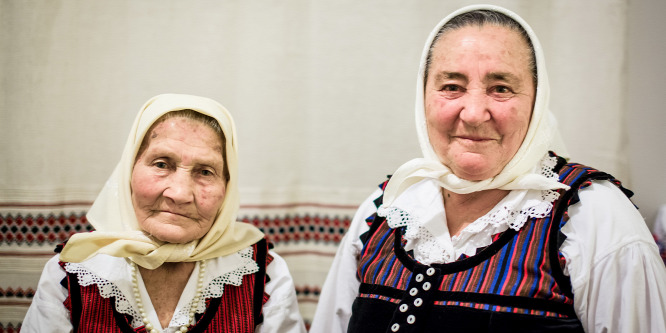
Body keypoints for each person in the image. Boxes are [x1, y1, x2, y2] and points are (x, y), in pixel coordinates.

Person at [311, 4, 666, 333]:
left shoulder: (592, 217)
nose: (474, 113)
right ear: (423, 97)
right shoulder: (388, 207)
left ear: (537, 100)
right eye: (452, 86)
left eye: (500, 88)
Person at [22, 94, 307, 332]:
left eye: (205, 172)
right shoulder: (74, 270)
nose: (179, 194)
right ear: (129, 171)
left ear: (227, 187)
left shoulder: (264, 274)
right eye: (161, 164)